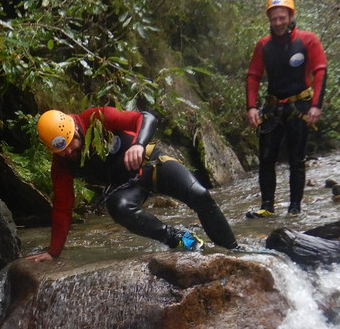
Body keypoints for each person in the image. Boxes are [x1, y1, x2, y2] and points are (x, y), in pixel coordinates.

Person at [27, 106, 239, 261]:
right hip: (126, 187)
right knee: (118, 207)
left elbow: (146, 118)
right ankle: (178, 238)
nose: (68, 152)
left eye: (69, 144)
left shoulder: (97, 118)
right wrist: (52, 252)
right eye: (60, 151)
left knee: (200, 195)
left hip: (151, 165)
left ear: (74, 129)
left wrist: (138, 144)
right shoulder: (62, 164)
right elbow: (62, 208)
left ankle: (234, 251)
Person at [245, 0, 327, 218]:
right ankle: (267, 206)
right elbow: (253, 76)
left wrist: (316, 105)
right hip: (272, 108)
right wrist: (251, 107)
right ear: (269, 20)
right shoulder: (264, 46)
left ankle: (294, 208)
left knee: (296, 159)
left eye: (282, 18)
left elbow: (320, 70)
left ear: (291, 16)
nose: (278, 23)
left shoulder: (308, 40)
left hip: (299, 107)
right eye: (274, 19)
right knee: (266, 159)